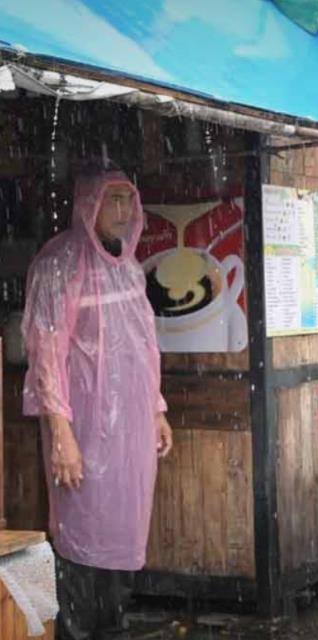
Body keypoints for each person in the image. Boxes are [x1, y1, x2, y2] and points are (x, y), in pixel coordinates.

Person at [22, 164, 172, 640]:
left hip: (130, 431)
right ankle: (73, 631)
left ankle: (111, 627)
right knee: (80, 534)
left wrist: (157, 408)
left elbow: (144, 346)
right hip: (83, 430)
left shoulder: (127, 267)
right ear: (88, 205)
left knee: (123, 534)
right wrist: (61, 434)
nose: (124, 211)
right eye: (114, 200)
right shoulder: (59, 265)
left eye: (129, 200)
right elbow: (46, 353)